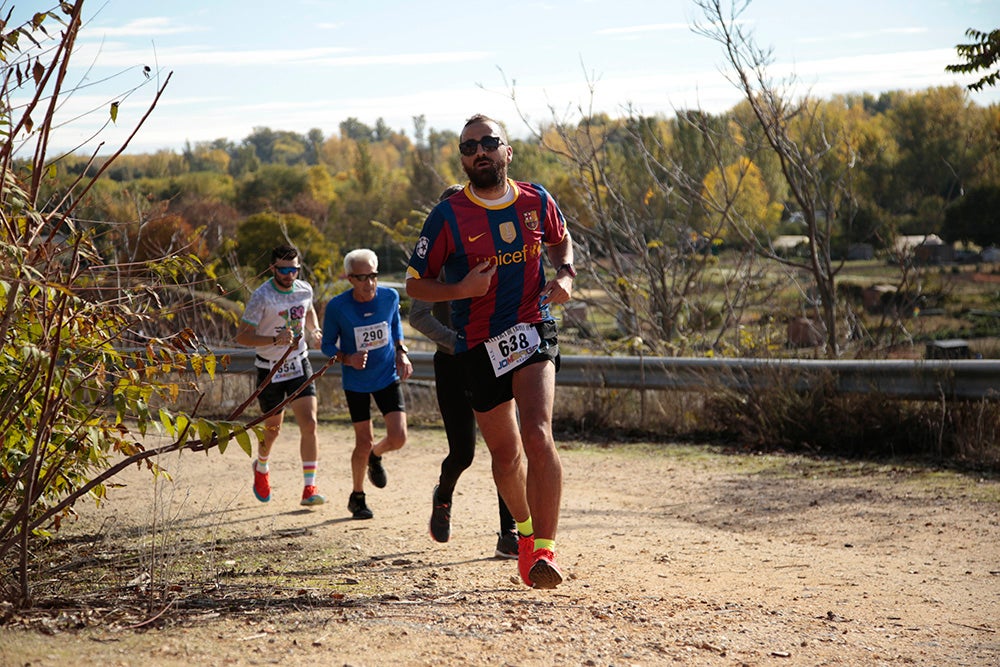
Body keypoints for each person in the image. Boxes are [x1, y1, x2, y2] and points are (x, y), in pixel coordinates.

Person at [406, 114, 575, 589]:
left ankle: (546, 549)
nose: (478, 151)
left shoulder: (537, 199)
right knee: (505, 454)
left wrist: (564, 276)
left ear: (507, 151)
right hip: (478, 344)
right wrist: (461, 287)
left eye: (487, 142)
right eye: (468, 147)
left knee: (539, 432)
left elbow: (562, 243)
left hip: (532, 326)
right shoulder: (447, 216)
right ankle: (522, 533)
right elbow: (415, 284)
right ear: (462, 159)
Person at [410, 184, 519, 559]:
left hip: (496, 360)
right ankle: (443, 495)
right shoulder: (433, 268)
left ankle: (510, 533)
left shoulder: (490, 256)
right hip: (454, 363)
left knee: (506, 450)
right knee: (463, 453)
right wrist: (458, 341)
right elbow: (418, 316)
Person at [322, 248, 413, 520]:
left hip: (386, 374)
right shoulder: (338, 307)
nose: (369, 283)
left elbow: (395, 325)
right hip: (357, 380)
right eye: (362, 278)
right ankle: (357, 497)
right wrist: (346, 358)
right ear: (350, 279)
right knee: (363, 441)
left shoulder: (390, 296)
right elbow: (326, 345)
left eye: (373, 276)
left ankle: (376, 455)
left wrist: (401, 351)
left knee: (398, 437)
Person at [235, 244, 326, 507]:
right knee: (272, 431)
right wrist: (275, 339)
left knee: (309, 423)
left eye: (294, 269)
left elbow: (307, 311)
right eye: (283, 269)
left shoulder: (304, 289)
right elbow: (242, 336)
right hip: (269, 367)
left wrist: (315, 330)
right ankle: (261, 466)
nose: (289, 275)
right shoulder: (261, 297)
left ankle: (309, 488)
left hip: (299, 363)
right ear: (273, 268)